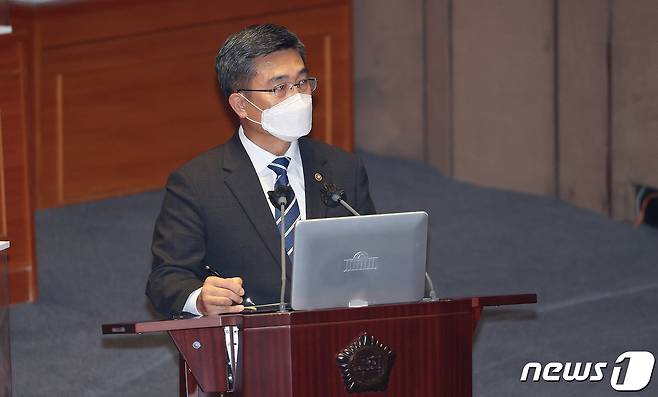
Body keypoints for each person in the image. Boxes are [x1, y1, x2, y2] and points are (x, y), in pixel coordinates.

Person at [146, 24, 376, 318]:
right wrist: (201, 299)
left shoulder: (343, 168)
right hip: (253, 343)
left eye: (302, 83)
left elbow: (373, 255)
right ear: (241, 104)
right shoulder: (197, 183)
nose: (298, 97)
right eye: (279, 88)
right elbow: (165, 278)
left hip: (336, 333)